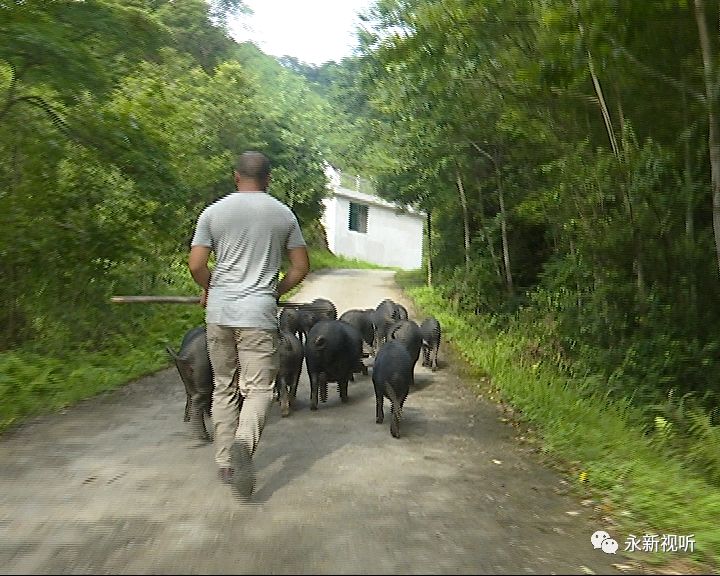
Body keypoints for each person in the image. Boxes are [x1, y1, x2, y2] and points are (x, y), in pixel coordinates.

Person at [188, 151, 309, 500]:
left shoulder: (213, 212)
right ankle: (244, 442)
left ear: (235, 176)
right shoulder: (283, 214)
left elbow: (196, 264)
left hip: (220, 314)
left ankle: (226, 461)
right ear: (268, 179)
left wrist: (209, 287)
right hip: (257, 314)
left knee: (224, 386)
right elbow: (301, 268)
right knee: (259, 390)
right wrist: (273, 292)